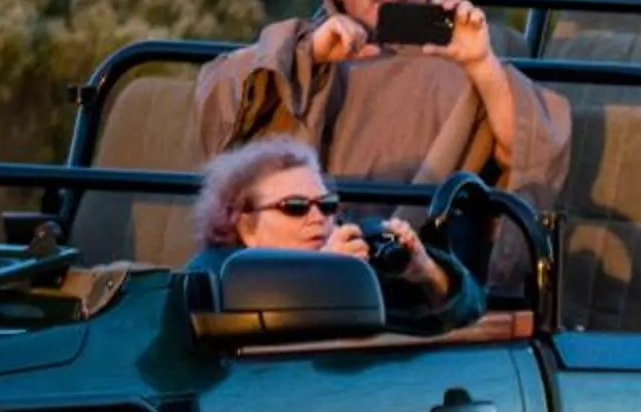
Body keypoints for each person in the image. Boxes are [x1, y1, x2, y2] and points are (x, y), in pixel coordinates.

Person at [193, 0, 571, 216]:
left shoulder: (457, 62)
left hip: (410, 262)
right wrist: (313, 55)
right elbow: (222, 104)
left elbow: (531, 149)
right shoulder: (300, 49)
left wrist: (480, 65)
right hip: (297, 259)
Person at [189, 138, 483, 335]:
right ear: (245, 226)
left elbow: (471, 310)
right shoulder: (214, 275)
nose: (318, 217)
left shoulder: (356, 258)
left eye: (327, 204)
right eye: (295, 207)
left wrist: (428, 273)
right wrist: (322, 278)